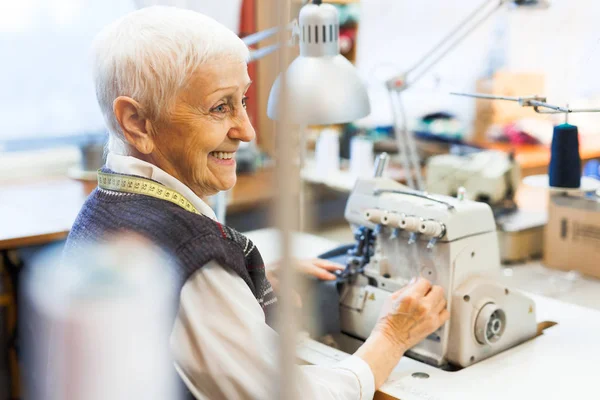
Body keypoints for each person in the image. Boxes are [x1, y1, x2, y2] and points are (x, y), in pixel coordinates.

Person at [64, 6, 449, 400]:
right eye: (219, 107)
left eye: (242, 100)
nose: (247, 131)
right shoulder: (195, 266)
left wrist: (241, 283)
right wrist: (392, 335)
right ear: (137, 123)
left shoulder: (105, 208)